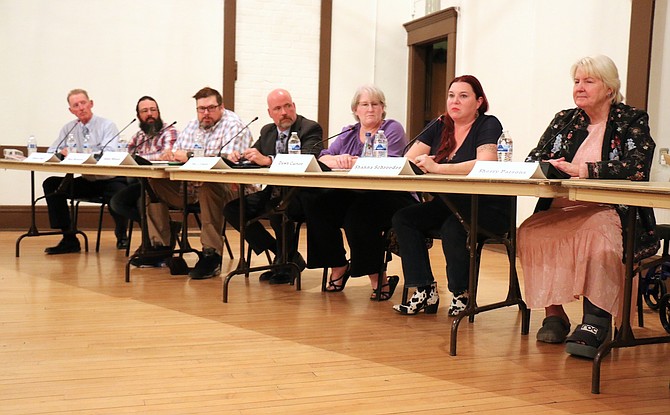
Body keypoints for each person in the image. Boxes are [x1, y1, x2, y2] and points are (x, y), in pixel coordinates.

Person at [518, 55, 658, 358]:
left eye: (588, 81)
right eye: (577, 81)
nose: (580, 87)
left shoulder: (631, 119)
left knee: (598, 229)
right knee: (530, 230)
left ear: (609, 88)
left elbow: (637, 166)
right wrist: (550, 165)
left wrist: (584, 170)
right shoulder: (564, 119)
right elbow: (533, 159)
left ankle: (596, 319)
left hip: (612, 210)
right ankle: (554, 314)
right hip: (563, 208)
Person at [391, 75, 510, 315]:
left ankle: (461, 294)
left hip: (486, 205)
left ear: (478, 102)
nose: (455, 101)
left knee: (454, 227)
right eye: (451, 96)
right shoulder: (439, 125)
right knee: (404, 218)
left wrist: (438, 167)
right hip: (450, 201)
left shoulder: (488, 124)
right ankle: (425, 289)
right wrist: (425, 162)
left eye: (463, 96)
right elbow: (409, 159)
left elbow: (485, 163)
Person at [304, 85, 416, 301]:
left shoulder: (391, 129)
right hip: (357, 193)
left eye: (376, 104)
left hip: (392, 195)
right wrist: (339, 159)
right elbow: (323, 157)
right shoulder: (348, 132)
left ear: (383, 108)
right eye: (365, 104)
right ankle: (338, 264)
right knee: (315, 202)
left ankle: (378, 278)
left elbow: (391, 162)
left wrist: (353, 161)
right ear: (356, 109)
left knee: (358, 214)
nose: (370, 109)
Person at [134, 87, 253, 280]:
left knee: (209, 186)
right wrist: (171, 155)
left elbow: (230, 162)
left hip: (230, 189)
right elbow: (177, 154)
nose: (205, 113)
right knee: (153, 183)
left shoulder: (234, 125)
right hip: (192, 187)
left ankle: (211, 254)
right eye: (201, 109)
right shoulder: (192, 126)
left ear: (221, 107)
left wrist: (188, 155)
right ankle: (160, 248)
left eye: (211, 108)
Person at [224, 88, 323, 284]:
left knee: (279, 209)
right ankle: (282, 255)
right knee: (233, 210)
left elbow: (307, 158)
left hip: (300, 193)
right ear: (270, 113)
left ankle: (285, 262)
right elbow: (256, 155)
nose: (284, 112)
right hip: (272, 192)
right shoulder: (267, 131)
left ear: (294, 106)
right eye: (277, 108)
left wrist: (268, 160)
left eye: (287, 106)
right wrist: (240, 156)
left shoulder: (309, 128)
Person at [43, 88, 128, 254]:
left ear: (91, 104)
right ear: (71, 110)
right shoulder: (69, 128)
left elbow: (109, 153)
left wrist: (79, 155)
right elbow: (51, 151)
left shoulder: (107, 125)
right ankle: (69, 238)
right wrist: (62, 153)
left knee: (120, 195)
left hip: (110, 179)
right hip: (89, 180)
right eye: (76, 105)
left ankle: (122, 235)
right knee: (51, 184)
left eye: (83, 103)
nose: (81, 107)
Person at [109, 96, 178, 225]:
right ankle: (166, 228)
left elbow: (166, 156)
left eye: (153, 110)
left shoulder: (170, 131)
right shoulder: (138, 136)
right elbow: (126, 157)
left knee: (142, 202)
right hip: (141, 183)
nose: (150, 114)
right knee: (116, 202)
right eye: (145, 111)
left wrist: (139, 157)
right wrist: (139, 158)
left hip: (163, 185)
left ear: (158, 112)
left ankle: (154, 240)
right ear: (139, 115)